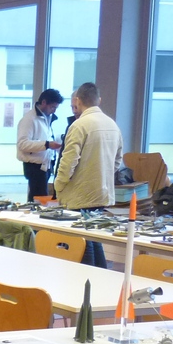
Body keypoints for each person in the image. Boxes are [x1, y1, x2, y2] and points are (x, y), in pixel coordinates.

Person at [54, 82, 123, 268]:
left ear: (77, 101)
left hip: (80, 195)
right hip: (102, 193)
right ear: (99, 100)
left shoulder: (79, 126)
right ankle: (101, 278)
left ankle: (86, 280)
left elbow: (68, 162)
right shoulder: (112, 125)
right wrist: (103, 174)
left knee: (82, 243)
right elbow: (118, 160)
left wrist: (59, 186)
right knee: (94, 238)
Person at [16, 89, 63, 202]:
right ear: (44, 102)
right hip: (34, 166)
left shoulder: (47, 118)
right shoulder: (29, 119)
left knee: (40, 199)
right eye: (52, 107)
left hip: (45, 165)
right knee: (38, 200)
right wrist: (47, 144)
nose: (54, 110)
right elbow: (22, 144)